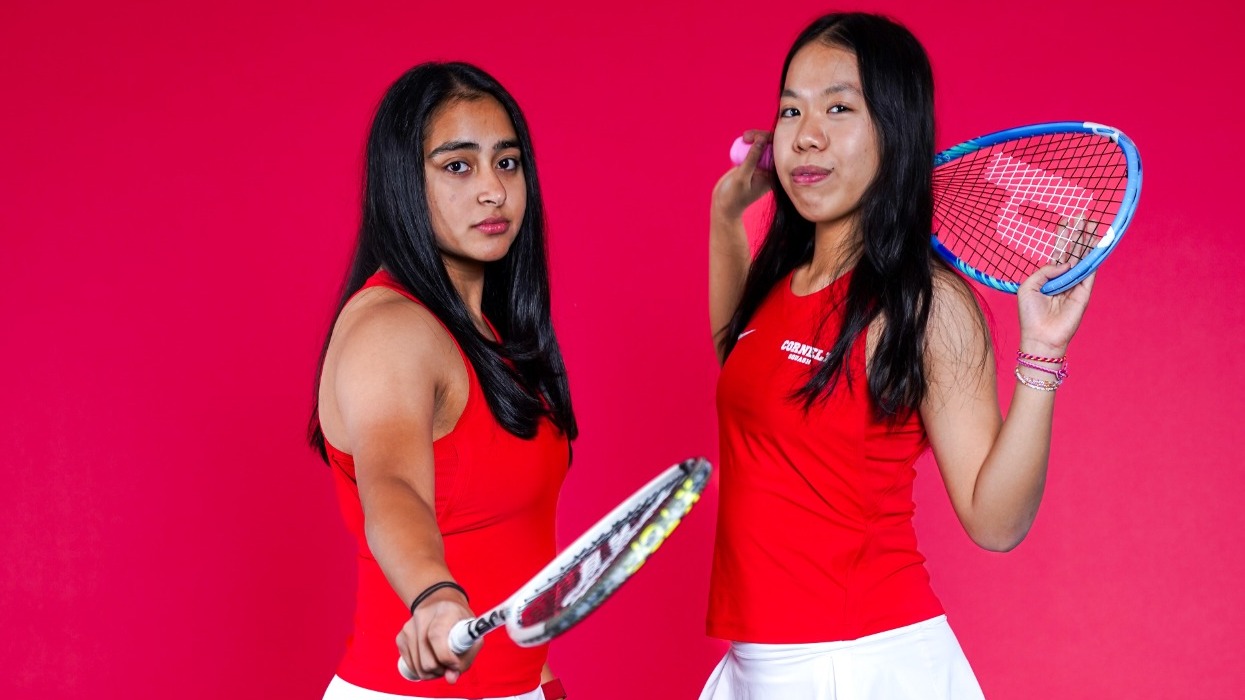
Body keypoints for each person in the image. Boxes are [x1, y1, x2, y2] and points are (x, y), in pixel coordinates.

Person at [702, 12, 1094, 699]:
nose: (806, 134)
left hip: (858, 665)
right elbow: (741, 365)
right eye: (790, 109)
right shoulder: (781, 284)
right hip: (755, 664)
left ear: (894, 129)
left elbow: (993, 522)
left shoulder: (924, 304)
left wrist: (1042, 353)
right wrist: (723, 216)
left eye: (839, 107)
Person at [309, 62, 575, 700]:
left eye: (506, 163)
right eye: (458, 166)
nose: (493, 190)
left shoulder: (487, 334)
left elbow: (511, 544)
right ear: (404, 182)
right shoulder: (391, 329)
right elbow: (393, 487)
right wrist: (432, 592)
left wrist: (542, 685)